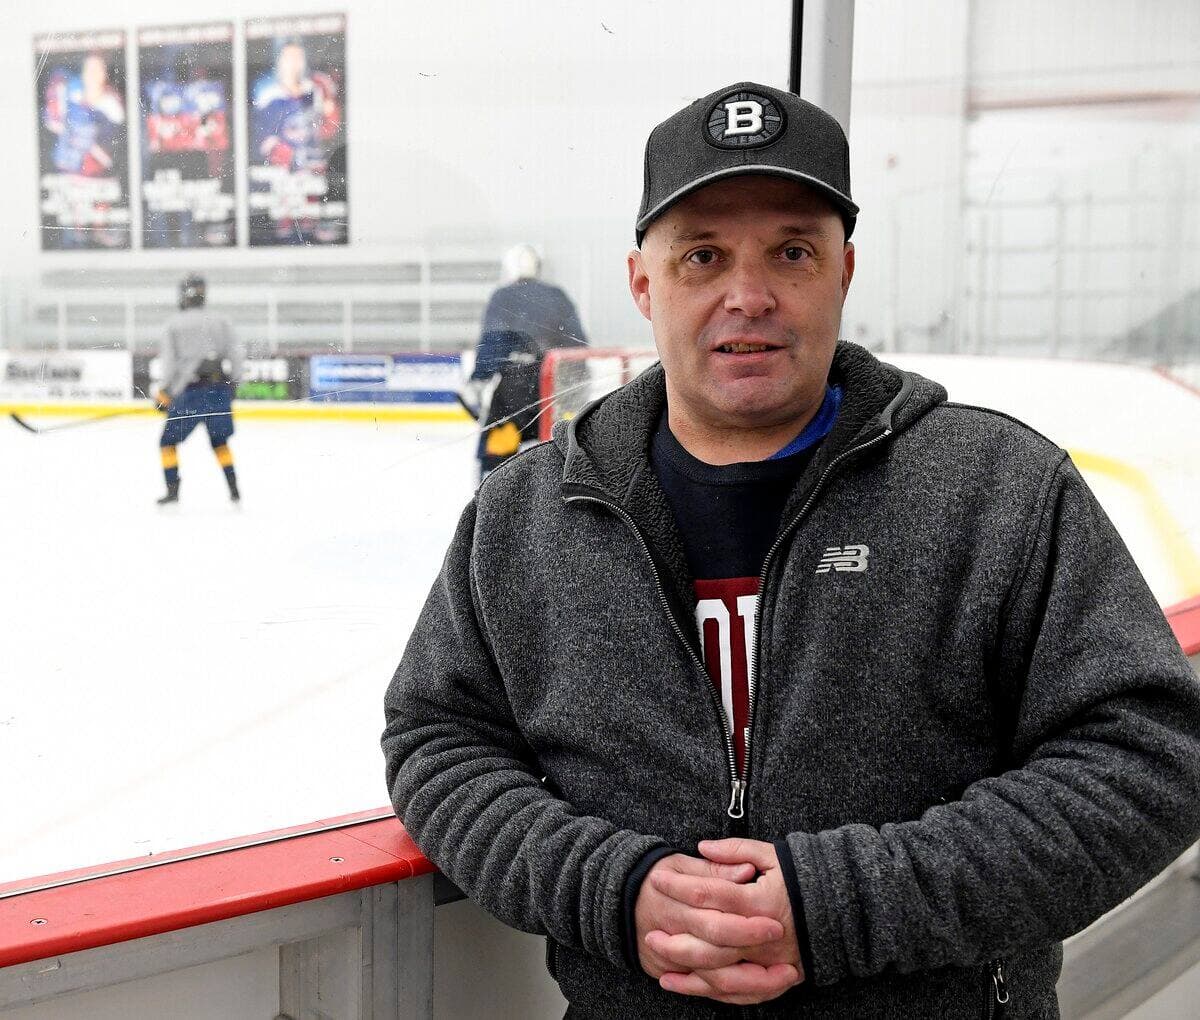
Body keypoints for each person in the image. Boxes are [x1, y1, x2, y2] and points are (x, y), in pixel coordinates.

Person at [382, 82, 1200, 1017]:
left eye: (792, 252)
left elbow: (1148, 757)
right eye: (702, 257)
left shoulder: (997, 488)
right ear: (643, 283)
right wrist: (615, 890)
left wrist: (837, 907)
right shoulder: (523, 517)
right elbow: (436, 739)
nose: (749, 296)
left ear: (843, 272)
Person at [469, 244, 588, 480]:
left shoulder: (502, 296)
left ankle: (493, 500)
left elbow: (493, 344)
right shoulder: (558, 295)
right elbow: (578, 347)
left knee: (496, 458)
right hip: (556, 388)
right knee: (559, 451)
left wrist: (479, 379)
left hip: (514, 393)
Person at [154, 274, 244, 506]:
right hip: (218, 390)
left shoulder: (173, 324)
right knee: (220, 442)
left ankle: (173, 492)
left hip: (191, 393)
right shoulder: (222, 321)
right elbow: (236, 353)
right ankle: (234, 490)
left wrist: (165, 392)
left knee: (167, 443)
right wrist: (234, 382)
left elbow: (170, 364)